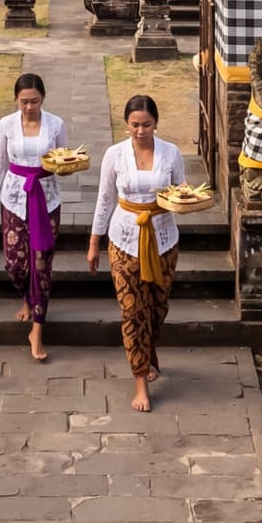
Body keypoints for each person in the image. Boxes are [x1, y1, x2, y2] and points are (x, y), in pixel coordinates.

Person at [88, 94, 186, 412]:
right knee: (133, 311)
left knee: (157, 307)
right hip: (124, 236)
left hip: (163, 236)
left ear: (155, 123)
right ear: (126, 124)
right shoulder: (115, 155)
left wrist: (184, 199)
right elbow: (105, 199)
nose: (141, 131)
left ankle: (149, 350)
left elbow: (180, 190)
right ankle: (140, 379)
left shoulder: (171, 153)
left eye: (146, 124)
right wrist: (94, 242)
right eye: (134, 125)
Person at [0, 71, 67, 362]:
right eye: (24, 102)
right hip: (15, 196)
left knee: (41, 261)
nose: (29, 107)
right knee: (15, 262)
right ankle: (27, 298)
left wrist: (64, 164)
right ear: (16, 100)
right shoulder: (6, 125)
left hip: (45, 197)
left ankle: (37, 329)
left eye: (35, 101)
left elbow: (62, 159)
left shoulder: (55, 124)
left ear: (43, 99)